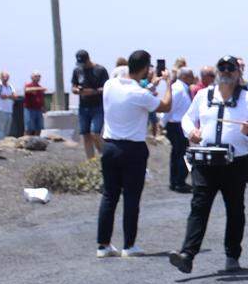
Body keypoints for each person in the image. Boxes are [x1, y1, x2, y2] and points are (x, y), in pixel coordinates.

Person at [172, 56, 248, 275]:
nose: (226, 72)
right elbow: (187, 119)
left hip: (235, 163)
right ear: (217, 72)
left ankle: (232, 256)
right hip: (206, 161)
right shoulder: (203, 96)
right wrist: (191, 132)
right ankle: (187, 255)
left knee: (235, 210)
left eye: (231, 69)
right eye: (222, 69)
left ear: (238, 73)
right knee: (199, 207)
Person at [95, 51, 172, 258]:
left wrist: (151, 85)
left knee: (109, 195)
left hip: (109, 145)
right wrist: (168, 84)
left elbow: (132, 94)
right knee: (131, 197)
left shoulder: (110, 85)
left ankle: (103, 245)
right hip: (133, 149)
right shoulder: (140, 94)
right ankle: (129, 245)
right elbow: (166, 106)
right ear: (146, 68)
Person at [163, 64, 197, 190]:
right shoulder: (178, 88)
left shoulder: (183, 88)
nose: (193, 78)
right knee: (180, 155)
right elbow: (169, 107)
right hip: (176, 125)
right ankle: (178, 182)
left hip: (180, 125)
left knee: (179, 154)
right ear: (184, 77)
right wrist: (162, 123)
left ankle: (177, 181)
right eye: (191, 76)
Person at [70, 49, 109, 159]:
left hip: (98, 106)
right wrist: (77, 90)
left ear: (88, 59)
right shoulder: (77, 71)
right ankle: (91, 161)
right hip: (83, 107)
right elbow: (73, 86)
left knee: (95, 133)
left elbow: (106, 87)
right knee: (86, 135)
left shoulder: (100, 70)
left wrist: (93, 91)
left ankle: (106, 154)